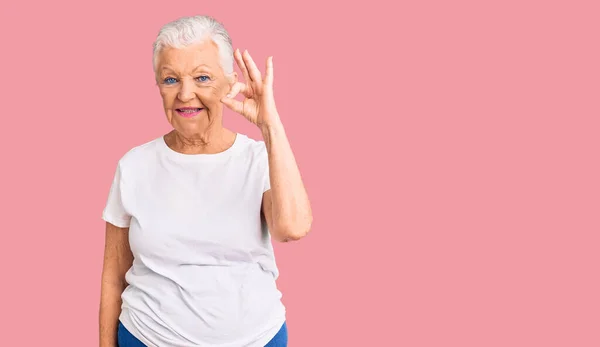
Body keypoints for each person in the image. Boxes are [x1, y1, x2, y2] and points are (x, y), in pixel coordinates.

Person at [99, 15, 313, 347]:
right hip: (146, 337)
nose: (185, 94)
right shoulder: (134, 165)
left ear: (229, 84)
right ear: (158, 86)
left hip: (254, 339)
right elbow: (113, 277)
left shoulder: (259, 159)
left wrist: (270, 126)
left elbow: (293, 228)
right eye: (170, 79)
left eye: (202, 77)